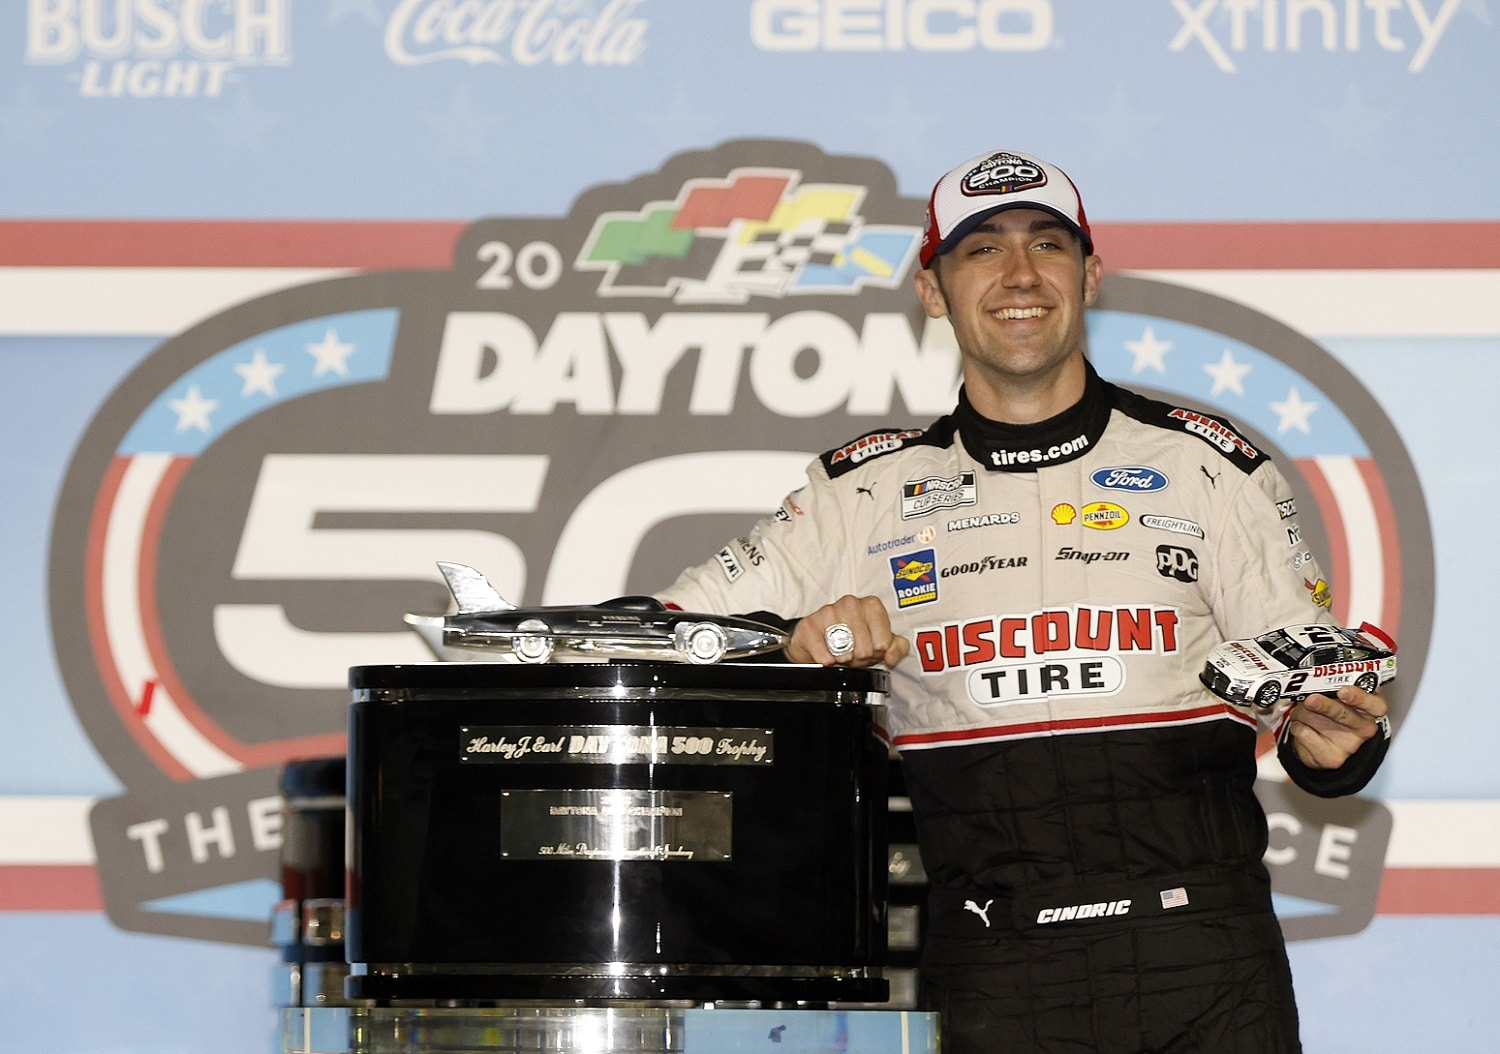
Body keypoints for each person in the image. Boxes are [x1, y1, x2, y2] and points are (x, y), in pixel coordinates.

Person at [654, 148, 1392, 1053]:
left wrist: (1334, 746)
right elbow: (665, 637)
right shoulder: (862, 492)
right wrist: (788, 648)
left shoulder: (1210, 467)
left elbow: (1318, 702)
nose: (1019, 275)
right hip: (993, 967)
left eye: (1047, 244)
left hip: (1203, 961)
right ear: (932, 290)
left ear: (1089, 276)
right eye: (981, 250)